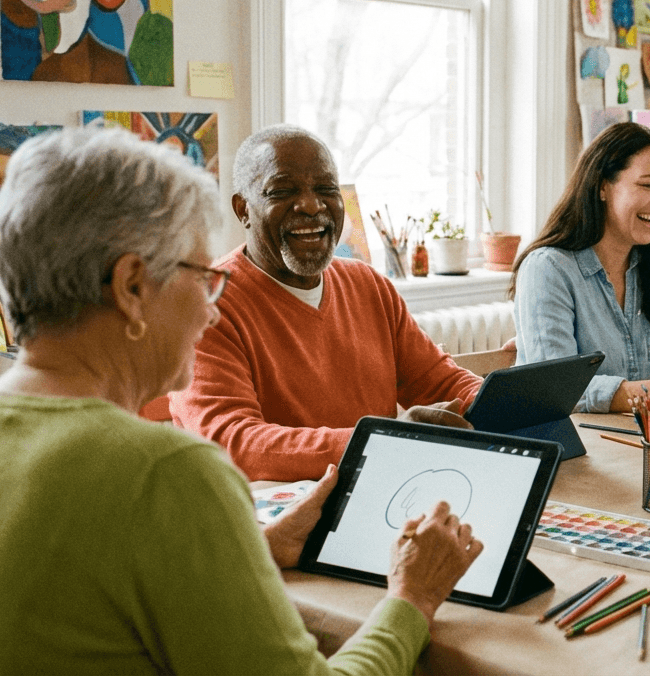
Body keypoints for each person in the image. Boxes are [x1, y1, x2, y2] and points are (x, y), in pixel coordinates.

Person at [0, 127, 483, 673]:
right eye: (202, 276)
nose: (211, 306)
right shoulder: (168, 475)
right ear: (133, 287)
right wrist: (413, 598)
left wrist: (261, 548)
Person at [171, 124, 483, 481]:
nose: (310, 205)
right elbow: (232, 442)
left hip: (373, 494)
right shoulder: (204, 300)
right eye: (282, 191)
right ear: (243, 209)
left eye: (326, 190)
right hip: (268, 523)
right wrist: (379, 442)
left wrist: (506, 401)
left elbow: (442, 383)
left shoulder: (369, 285)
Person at [512, 122, 650, 413]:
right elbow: (556, 389)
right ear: (602, 187)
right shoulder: (547, 269)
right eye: (648, 185)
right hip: (580, 445)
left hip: (644, 437)